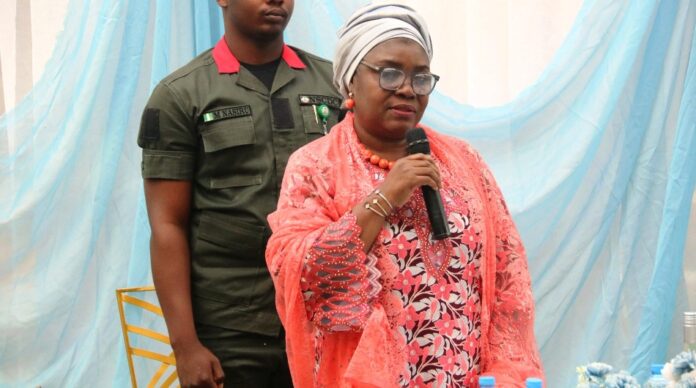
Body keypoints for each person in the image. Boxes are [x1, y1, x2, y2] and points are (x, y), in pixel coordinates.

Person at [265, 3, 545, 387]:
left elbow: (508, 276)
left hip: (468, 374)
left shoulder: (465, 161)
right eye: (390, 73)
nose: (408, 89)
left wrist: (505, 373)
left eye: (421, 77)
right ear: (351, 80)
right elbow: (303, 276)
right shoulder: (315, 166)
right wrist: (385, 196)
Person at [137, 0, 342, 386]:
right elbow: (167, 225)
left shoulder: (332, 86)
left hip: (323, 315)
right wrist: (185, 346)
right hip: (232, 328)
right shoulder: (182, 95)